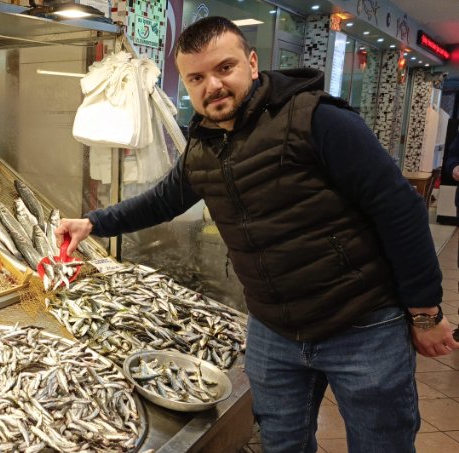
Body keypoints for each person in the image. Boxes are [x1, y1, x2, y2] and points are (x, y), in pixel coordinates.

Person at [57, 16, 458, 453]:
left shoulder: (319, 119)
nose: (212, 85)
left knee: (383, 446)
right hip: (274, 330)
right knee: (281, 445)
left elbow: (400, 210)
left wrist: (425, 313)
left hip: (361, 324)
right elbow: (162, 200)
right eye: (196, 77)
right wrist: (94, 222)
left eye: (224, 68)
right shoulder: (204, 145)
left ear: (251, 63)